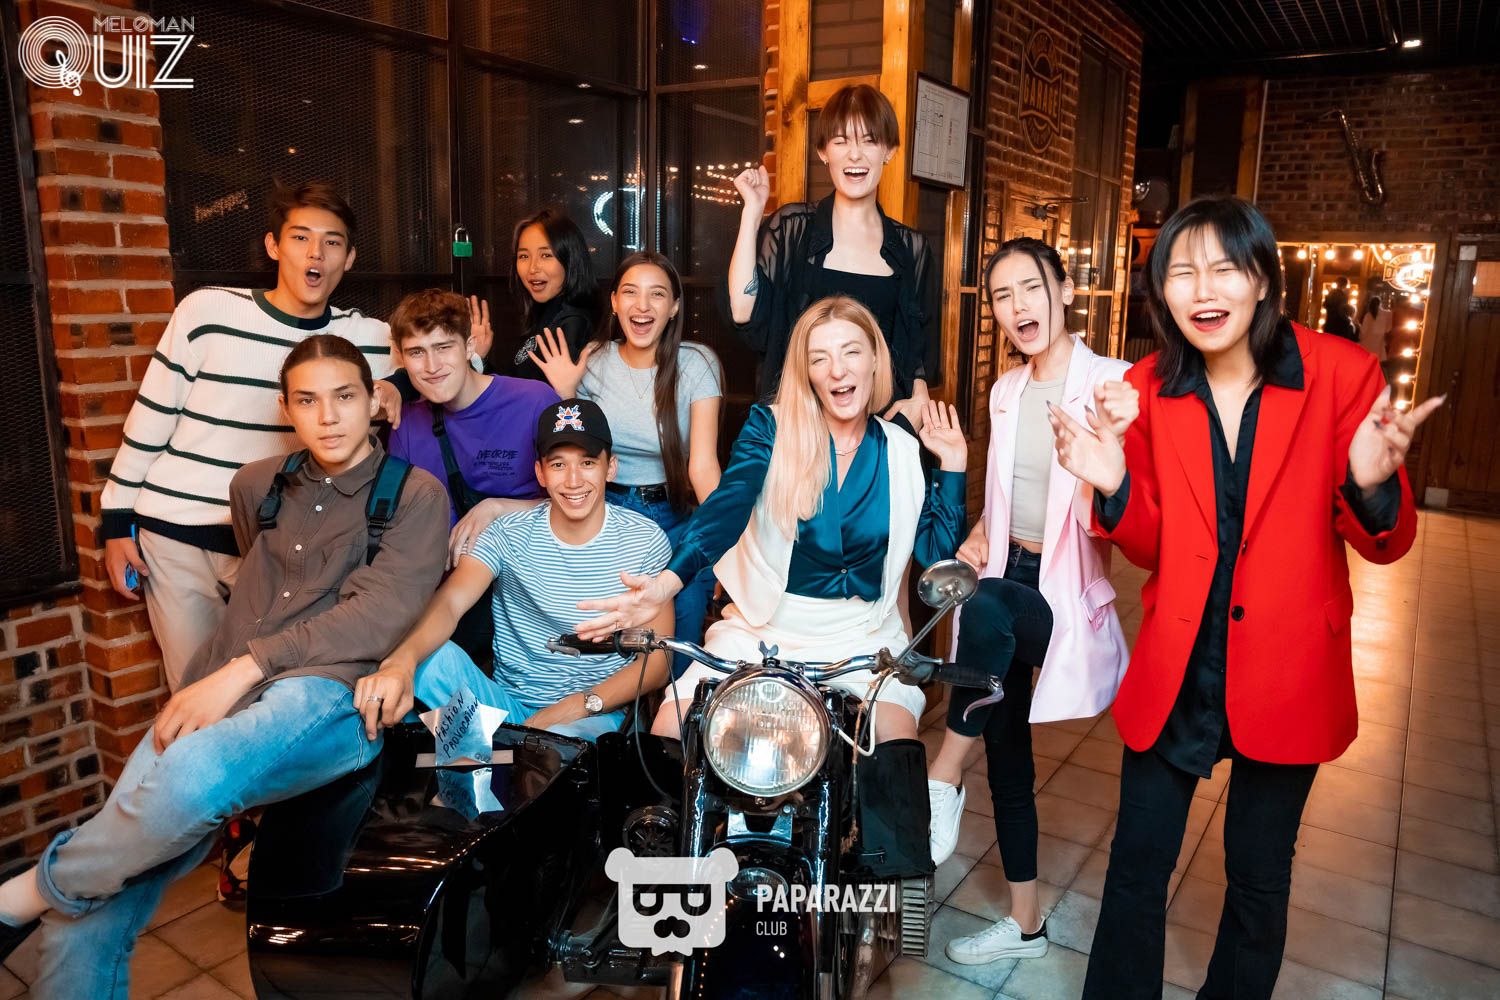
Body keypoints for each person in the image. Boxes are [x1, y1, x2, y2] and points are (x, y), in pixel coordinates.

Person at [1046, 196, 1443, 1000]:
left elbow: (1388, 543)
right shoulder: (1148, 386)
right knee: (1135, 868)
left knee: (1258, 880)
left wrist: (1370, 485)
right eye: (1181, 272)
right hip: (1180, 663)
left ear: (1263, 278)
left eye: (1224, 268)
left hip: (1288, 667)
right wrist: (1114, 484)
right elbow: (1152, 545)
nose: (1202, 290)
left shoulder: (1342, 375)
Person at [0, 336, 449, 987]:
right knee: (102, 894)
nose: (328, 416)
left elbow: (379, 616)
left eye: (344, 396)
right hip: (222, 684)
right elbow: (261, 589)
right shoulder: (256, 483)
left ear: (373, 402)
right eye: (307, 400)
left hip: (330, 696)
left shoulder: (415, 495)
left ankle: (25, 895)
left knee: (190, 777)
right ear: (286, 409)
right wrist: (226, 675)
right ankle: (61, 912)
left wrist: (245, 668)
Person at [572, 297, 967, 879]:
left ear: (874, 361)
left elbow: (934, 556)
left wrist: (953, 467)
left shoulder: (904, 448)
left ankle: (881, 893)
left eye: (851, 353)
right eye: (820, 358)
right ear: (805, 370)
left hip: (863, 636)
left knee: (896, 749)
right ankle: (664, 882)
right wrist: (668, 582)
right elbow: (728, 504)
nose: (838, 370)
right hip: (765, 629)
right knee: (670, 727)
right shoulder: (771, 427)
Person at [100, 181, 410, 691]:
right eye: (300, 237)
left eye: (332, 242)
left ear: (350, 258)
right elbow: (152, 416)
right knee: (195, 692)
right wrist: (116, 523)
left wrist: (398, 385)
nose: (316, 253)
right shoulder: (207, 313)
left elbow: (448, 364)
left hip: (280, 542)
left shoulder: (369, 338)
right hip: (178, 533)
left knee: (273, 692)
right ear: (273, 246)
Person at [930, 239, 1133, 967]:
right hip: (1005, 572)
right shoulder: (1006, 390)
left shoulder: (1114, 382)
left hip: (1060, 594)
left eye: (1030, 288)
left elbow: (1127, 508)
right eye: (1001, 295)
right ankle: (1026, 925)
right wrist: (981, 534)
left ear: (1065, 290)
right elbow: (1006, 495)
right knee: (1007, 751)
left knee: (987, 610)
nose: (1016, 306)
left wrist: (1115, 454)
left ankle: (941, 774)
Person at [357, 399, 675, 742]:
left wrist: (574, 707)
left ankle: (484, 758)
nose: (573, 480)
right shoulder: (506, 534)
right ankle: (483, 759)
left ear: (610, 468)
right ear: (540, 472)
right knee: (428, 660)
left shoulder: (644, 539)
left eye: (587, 463)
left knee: (556, 756)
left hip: (593, 714)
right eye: (558, 464)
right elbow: (450, 602)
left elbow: (659, 663)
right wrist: (400, 662)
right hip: (506, 708)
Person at [528, 252, 723, 670]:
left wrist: (728, 548)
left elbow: (703, 466)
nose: (642, 305)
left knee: (679, 646)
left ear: (674, 307)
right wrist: (566, 393)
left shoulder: (696, 363)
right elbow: (575, 447)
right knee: (608, 640)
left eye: (658, 295)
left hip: (674, 516)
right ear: (614, 302)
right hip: (605, 512)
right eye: (630, 293)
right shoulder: (594, 359)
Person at [726, 84, 936, 426]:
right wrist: (753, 210)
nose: (855, 155)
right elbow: (743, 310)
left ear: (889, 150)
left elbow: (919, 347)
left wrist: (919, 397)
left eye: (869, 140)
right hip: (799, 426)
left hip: (879, 430)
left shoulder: (911, 248)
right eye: (841, 141)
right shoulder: (792, 227)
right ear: (823, 152)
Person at [387, 288, 560, 661]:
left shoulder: (534, 401)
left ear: (469, 347)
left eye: (443, 348)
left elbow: (581, 504)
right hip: (449, 598)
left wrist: (497, 508)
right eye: (417, 352)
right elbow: (401, 526)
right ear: (400, 358)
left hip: (534, 594)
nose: (432, 365)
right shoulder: (407, 423)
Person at [511, 208, 602, 383]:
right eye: (523, 256)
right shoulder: (544, 311)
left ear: (570, 259)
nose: (532, 268)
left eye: (546, 255)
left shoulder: (573, 323)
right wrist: (479, 359)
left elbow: (549, 396)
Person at [1357, 291, 1394, 379]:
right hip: (1379, 343)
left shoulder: (1368, 315)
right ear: (1380, 303)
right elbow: (1388, 329)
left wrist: (1358, 326)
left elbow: (1363, 333)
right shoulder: (1388, 314)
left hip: (1367, 344)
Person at [1321, 276, 1355, 341]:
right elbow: (1342, 311)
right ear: (1345, 285)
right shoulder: (1343, 296)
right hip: (1339, 324)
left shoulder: (1330, 294)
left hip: (1330, 322)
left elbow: (1325, 305)